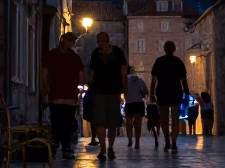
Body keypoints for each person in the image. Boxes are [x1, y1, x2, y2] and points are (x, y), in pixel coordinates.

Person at [41, 32, 84, 160]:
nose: (71, 43)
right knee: (56, 121)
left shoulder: (75, 57)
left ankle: (66, 147)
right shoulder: (52, 55)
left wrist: (79, 89)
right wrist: (46, 87)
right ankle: (55, 145)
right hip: (56, 94)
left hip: (70, 96)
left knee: (68, 122)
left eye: (72, 41)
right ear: (63, 40)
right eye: (69, 41)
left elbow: (80, 74)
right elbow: (44, 72)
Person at [86, 31, 127, 160]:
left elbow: (124, 71)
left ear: (107, 40)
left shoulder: (117, 52)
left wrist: (125, 88)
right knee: (100, 122)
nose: (100, 43)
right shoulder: (95, 54)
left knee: (112, 123)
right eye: (98, 41)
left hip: (114, 91)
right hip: (99, 91)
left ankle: (110, 148)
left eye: (102, 40)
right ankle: (103, 148)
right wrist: (90, 84)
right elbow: (91, 72)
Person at [150, 41, 189, 153]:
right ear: (175, 49)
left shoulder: (159, 61)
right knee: (175, 118)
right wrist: (187, 92)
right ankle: (173, 143)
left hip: (162, 92)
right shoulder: (178, 62)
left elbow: (153, 80)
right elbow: (184, 80)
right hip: (175, 92)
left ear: (164, 49)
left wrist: (152, 93)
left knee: (164, 119)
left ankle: (168, 140)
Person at [124, 66, 148, 148]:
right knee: (138, 124)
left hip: (129, 103)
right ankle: (137, 143)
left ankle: (130, 140)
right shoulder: (140, 80)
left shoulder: (125, 80)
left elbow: (123, 90)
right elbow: (145, 91)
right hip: (138, 103)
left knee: (128, 124)